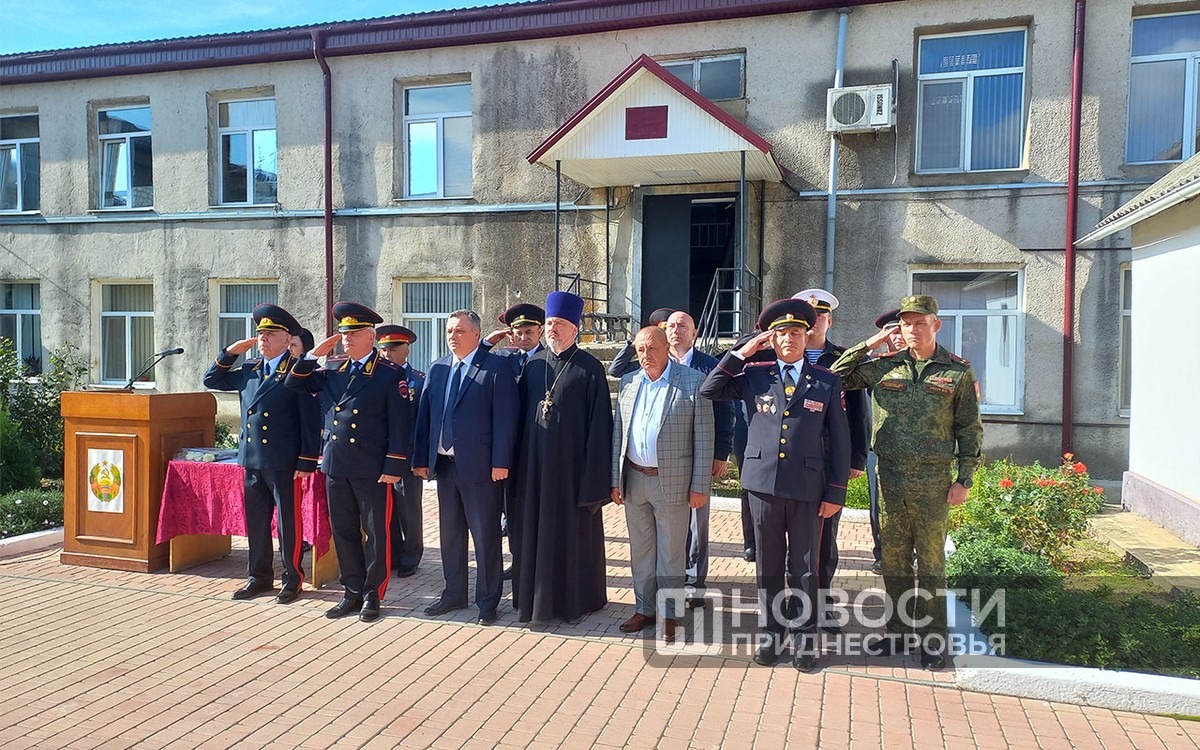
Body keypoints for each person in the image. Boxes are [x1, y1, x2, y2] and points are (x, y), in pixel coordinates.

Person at [831, 294, 983, 670]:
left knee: (931, 564)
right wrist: (871, 343)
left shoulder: (957, 372)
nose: (912, 329)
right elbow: (834, 375)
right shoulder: (885, 366)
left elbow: (969, 428)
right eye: (906, 323)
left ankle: (933, 640)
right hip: (890, 478)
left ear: (936, 325)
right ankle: (898, 631)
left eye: (919, 322)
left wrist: (964, 479)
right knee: (894, 561)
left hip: (933, 481)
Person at [700, 298, 850, 671]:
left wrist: (836, 492)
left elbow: (840, 440)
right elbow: (710, 388)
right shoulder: (755, 374)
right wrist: (743, 351)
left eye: (796, 332)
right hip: (762, 487)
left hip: (807, 488)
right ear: (772, 338)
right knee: (767, 565)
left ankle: (804, 637)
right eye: (781, 333)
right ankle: (771, 632)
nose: (788, 339)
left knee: (804, 567)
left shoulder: (827, 380)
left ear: (807, 335)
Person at [286, 302, 412, 623]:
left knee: (376, 533)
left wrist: (393, 466)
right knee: (343, 531)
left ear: (371, 337)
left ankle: (372, 594)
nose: (346, 339)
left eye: (353, 333)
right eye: (343, 334)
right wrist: (312, 355)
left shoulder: (388, 374)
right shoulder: (333, 370)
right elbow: (293, 383)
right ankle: (351, 591)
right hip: (337, 465)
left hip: (372, 467)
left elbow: (400, 425)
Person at [203, 304, 321, 604]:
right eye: (260, 334)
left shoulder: (297, 370)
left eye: (270, 334)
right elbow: (211, 380)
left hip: (284, 460)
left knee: (288, 524)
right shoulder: (250, 369)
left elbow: (310, 418)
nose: (263, 339)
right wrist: (230, 352)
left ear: (287, 338)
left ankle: (292, 579)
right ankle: (259, 577)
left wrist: (307, 458)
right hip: (252, 458)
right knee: (256, 521)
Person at [512, 291, 614, 624]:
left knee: (572, 538)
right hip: (534, 470)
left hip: (572, 474)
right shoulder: (534, 365)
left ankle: (574, 603)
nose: (552, 329)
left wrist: (594, 482)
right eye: (550, 323)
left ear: (574, 328)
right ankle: (534, 601)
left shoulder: (590, 368)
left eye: (560, 323)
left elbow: (600, 428)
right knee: (534, 534)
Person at [412, 310, 518, 626]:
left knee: (485, 537)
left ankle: (487, 601)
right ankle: (454, 593)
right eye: (449, 331)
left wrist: (501, 461)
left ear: (476, 334)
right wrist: (421, 459)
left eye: (459, 331)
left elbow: (505, 419)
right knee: (451, 535)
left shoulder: (495, 368)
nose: (453, 336)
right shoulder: (438, 368)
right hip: (445, 468)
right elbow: (425, 416)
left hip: (482, 468)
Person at [611, 326, 714, 643]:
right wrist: (615, 480)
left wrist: (700, 486)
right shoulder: (629, 382)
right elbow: (618, 434)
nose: (646, 355)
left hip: (673, 483)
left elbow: (704, 439)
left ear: (667, 347)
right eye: (640, 349)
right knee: (641, 551)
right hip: (634, 478)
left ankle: (670, 614)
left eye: (652, 348)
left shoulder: (693, 381)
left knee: (671, 553)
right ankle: (644, 609)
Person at [792, 289, 871, 632]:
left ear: (830, 320)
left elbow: (858, 411)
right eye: (808, 318)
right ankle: (794, 602)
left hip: (826, 460)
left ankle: (822, 603)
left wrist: (856, 458)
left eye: (820, 316)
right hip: (788, 461)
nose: (814, 323)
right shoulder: (785, 355)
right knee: (788, 538)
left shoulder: (842, 358)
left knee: (824, 538)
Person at [662, 311, 734, 609]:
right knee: (668, 522)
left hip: (698, 456)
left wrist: (720, 453)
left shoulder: (709, 365)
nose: (676, 330)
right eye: (671, 326)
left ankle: (694, 583)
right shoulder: (657, 361)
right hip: (665, 459)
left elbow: (725, 411)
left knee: (695, 524)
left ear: (694, 333)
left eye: (683, 326)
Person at [376, 324, 425, 578]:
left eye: (392, 349)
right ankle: (393, 553)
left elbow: (422, 424)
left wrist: (420, 458)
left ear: (406, 350)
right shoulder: (377, 378)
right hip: (380, 456)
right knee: (387, 508)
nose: (386, 354)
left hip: (408, 456)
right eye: (383, 349)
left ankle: (411, 554)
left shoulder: (419, 380)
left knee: (408, 508)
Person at [866, 308, 903, 574]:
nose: (898, 336)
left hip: (918, 451)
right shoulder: (874, 366)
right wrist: (870, 347)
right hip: (878, 448)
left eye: (903, 330)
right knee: (879, 503)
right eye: (893, 332)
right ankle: (882, 554)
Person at [607, 307, 675, 378]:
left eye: (668, 329)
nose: (665, 333)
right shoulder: (648, 360)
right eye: (662, 330)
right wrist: (635, 345)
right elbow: (615, 371)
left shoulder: (681, 360)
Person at [482, 302, 545, 378]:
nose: (523, 338)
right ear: (512, 334)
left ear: (539, 332)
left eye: (528, 332)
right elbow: (475, 362)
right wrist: (486, 343)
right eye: (519, 333)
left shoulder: (549, 358)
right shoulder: (504, 356)